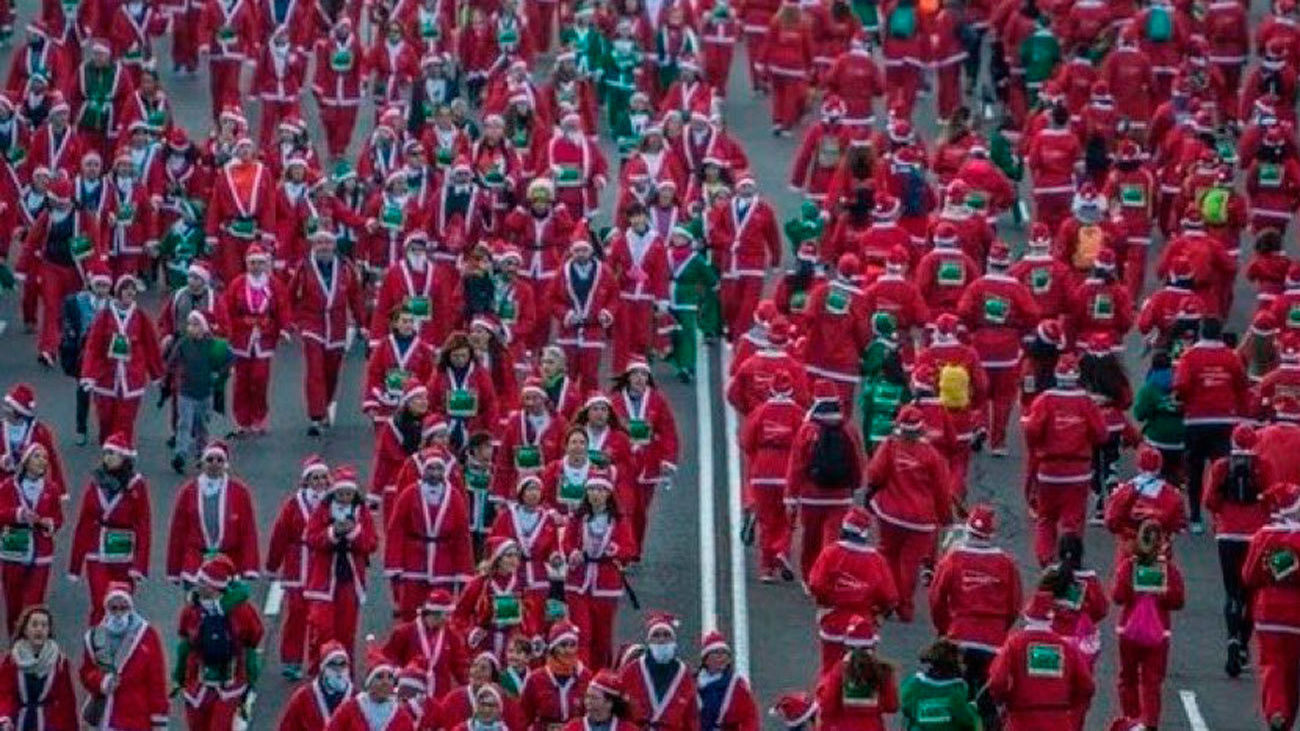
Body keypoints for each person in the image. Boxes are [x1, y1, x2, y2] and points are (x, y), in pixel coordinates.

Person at [928, 504, 1022, 729]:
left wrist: (944, 628)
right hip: (993, 640)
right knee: (987, 701)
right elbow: (1014, 605)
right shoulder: (1006, 563)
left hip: (959, 636)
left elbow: (936, 598)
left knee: (957, 698)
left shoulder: (954, 558)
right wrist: (1001, 629)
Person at [866, 405, 952, 622]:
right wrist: (945, 517)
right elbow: (942, 490)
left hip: (890, 513)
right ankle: (904, 606)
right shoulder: (931, 455)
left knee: (887, 555)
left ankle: (886, 599)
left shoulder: (891, 446)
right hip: (920, 520)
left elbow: (875, 474)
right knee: (910, 563)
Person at [1023, 355, 1108, 565]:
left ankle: (1045, 560)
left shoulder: (1045, 400)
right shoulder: (1086, 402)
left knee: (1046, 519)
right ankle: (1071, 559)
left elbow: (1032, 431)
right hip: (1078, 471)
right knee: (1073, 521)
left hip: (1050, 470)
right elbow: (1101, 434)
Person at [1204, 424, 1272, 677]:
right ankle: (1244, 643)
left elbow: (1210, 501)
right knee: (1253, 591)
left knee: (1232, 591)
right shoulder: (1263, 466)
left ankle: (1232, 638)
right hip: (1256, 535)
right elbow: (1270, 498)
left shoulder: (1222, 466)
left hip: (1228, 534)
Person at [1173, 317, 1251, 532]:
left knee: (1195, 470)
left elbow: (1181, 385)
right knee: (1224, 471)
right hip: (1224, 421)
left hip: (1196, 421)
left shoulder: (1189, 357)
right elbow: (1242, 385)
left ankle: (1196, 517)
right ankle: (1219, 516)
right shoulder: (1230, 357)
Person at [173, 554, 265, 731]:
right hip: (198, 681)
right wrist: (180, 675)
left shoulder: (240, 610)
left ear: (214, 586)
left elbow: (253, 636)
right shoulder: (192, 609)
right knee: (197, 725)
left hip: (229, 681)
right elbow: (184, 641)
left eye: (202, 580)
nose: (197, 583)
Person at [67, 434, 152, 623]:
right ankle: (96, 646)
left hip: (124, 554)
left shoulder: (136, 486)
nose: (108, 458)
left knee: (121, 605)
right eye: (105, 453)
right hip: (96, 551)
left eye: (112, 453)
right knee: (100, 603)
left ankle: (121, 647)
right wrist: (75, 564)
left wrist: (140, 565)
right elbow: (84, 522)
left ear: (124, 457)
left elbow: (144, 525)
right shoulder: (95, 483)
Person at [289, 230, 366, 436]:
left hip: (337, 323)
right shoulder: (304, 267)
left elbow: (356, 296)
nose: (323, 246)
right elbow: (290, 295)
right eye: (319, 242)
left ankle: (325, 405)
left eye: (327, 243)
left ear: (334, 245)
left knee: (331, 371)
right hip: (312, 322)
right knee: (315, 369)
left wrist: (362, 323)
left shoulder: (346, 267)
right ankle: (316, 415)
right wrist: (290, 321)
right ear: (313, 245)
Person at [986, 589, 1096, 731]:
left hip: (1022, 720)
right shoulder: (1066, 648)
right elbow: (1086, 686)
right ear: (1051, 620)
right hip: (1059, 721)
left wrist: (1005, 699)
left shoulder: (1015, 644)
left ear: (1027, 617)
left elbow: (997, 681)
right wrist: (1068, 705)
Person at [1111, 521, 1185, 730]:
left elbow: (1118, 596)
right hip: (1159, 632)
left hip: (1129, 631)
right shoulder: (1168, 570)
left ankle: (1132, 718)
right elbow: (1178, 600)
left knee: (1128, 677)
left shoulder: (1128, 566)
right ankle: (1150, 722)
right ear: (1162, 542)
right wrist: (1161, 594)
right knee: (1152, 680)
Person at [807, 507, 898, 675]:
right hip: (863, 623)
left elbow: (816, 584)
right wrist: (879, 613)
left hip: (833, 620)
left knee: (829, 672)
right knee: (862, 676)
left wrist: (826, 602)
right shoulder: (876, 560)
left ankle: (827, 700)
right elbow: (889, 596)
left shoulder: (831, 553)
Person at [304, 466, 379, 669]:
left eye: (349, 493)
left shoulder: (361, 512)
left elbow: (372, 543)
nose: (345, 497)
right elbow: (311, 538)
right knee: (322, 627)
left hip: (350, 580)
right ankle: (318, 669)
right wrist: (332, 533)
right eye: (341, 493)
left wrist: (354, 533)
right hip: (323, 578)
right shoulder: (322, 510)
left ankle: (345, 671)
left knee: (346, 630)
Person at [385, 448, 474, 618]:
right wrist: (395, 564)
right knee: (411, 611)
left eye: (438, 469)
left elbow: (462, 534)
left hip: (444, 563)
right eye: (430, 469)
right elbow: (396, 529)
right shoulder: (409, 493)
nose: (434, 473)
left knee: (441, 612)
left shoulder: (454, 496)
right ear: (423, 471)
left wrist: (463, 570)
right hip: (414, 561)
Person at [79, 272, 163, 445]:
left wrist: (157, 374)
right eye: (126, 289)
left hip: (131, 378)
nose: (130, 293)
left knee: (125, 420)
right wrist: (89, 374)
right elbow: (93, 347)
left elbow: (151, 346)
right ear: (118, 292)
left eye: (133, 290)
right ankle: (107, 449)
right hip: (106, 376)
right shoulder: (104, 316)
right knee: (105, 418)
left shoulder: (140, 316)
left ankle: (122, 452)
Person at [266, 456, 330, 680]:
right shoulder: (294, 504)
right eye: (315, 477)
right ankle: (291, 659)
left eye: (323, 477)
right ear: (306, 480)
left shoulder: (333, 504)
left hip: (322, 565)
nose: (320, 481)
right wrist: (273, 564)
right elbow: (280, 534)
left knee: (321, 618)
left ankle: (322, 659)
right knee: (296, 614)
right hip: (297, 565)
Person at [562, 468, 633, 670]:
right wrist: (572, 553)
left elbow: (629, 548)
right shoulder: (578, 518)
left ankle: (601, 674)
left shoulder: (618, 520)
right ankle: (583, 674)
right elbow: (567, 543)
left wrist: (616, 549)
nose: (596, 495)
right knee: (582, 633)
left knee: (603, 635)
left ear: (609, 493)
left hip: (606, 584)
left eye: (601, 490)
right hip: (578, 583)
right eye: (592, 490)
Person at [165, 440, 260, 586]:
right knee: (196, 606)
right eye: (210, 459)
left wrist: (249, 567)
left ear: (225, 464)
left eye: (219, 460)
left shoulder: (240, 492)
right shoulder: (188, 491)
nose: (214, 464)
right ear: (202, 463)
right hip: (195, 561)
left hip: (229, 561)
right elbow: (178, 532)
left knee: (228, 607)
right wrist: (174, 569)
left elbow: (248, 531)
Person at [609, 358, 678, 557]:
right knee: (624, 507)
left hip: (648, 463)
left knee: (640, 511)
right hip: (622, 463)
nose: (639, 379)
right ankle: (624, 549)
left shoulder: (657, 400)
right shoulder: (614, 401)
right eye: (635, 374)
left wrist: (668, 460)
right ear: (628, 377)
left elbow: (668, 431)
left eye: (643, 375)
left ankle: (635, 548)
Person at [738, 371, 803, 582]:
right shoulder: (798, 414)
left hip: (763, 471)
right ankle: (782, 551)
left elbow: (746, 442)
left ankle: (767, 568)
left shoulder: (760, 411)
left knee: (766, 522)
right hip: (787, 470)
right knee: (787, 519)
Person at [77, 583, 169, 731]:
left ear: (130, 608)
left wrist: (159, 721)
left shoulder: (147, 636)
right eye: (114, 608)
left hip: (137, 719)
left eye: (123, 608)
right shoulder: (94, 637)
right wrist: (101, 682)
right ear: (106, 609)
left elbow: (157, 682)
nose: (119, 613)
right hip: (104, 717)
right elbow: (86, 673)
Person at [0, 443, 62, 635]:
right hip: (14, 550)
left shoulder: (51, 489)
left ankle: (31, 643)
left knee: (34, 602)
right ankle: (15, 640)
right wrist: (17, 514)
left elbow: (58, 517)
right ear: (26, 461)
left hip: (41, 552)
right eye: (37, 456)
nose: (43, 460)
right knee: (13, 600)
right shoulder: (8, 486)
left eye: (45, 457)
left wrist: (51, 524)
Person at [165, 310, 233, 473]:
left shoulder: (214, 345)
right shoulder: (183, 343)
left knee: (202, 426)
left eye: (196, 324)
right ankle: (180, 454)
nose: (191, 328)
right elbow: (171, 361)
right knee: (184, 424)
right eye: (189, 324)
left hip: (205, 393)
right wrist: (168, 376)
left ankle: (202, 453)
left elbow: (229, 358)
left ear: (204, 327)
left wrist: (219, 376)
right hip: (186, 391)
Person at [58, 260, 111, 444]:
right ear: (90, 283)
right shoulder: (75, 302)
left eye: (106, 286)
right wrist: (71, 339)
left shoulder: (112, 305)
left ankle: (106, 430)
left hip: (106, 356)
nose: (102, 289)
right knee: (83, 392)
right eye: (99, 285)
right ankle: (81, 428)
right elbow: (66, 324)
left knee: (105, 396)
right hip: (83, 354)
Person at [814, 616, 898, 731]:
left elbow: (827, 706)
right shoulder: (882, 670)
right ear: (873, 644)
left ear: (847, 645)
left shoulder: (838, 670)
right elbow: (892, 706)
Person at [0, 606, 77, 730]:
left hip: (48, 724)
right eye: (34, 625)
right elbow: (4, 693)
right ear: (25, 629)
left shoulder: (59, 662)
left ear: (49, 631)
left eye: (44, 625)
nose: (39, 629)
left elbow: (66, 702)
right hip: (17, 722)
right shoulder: (11, 661)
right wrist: (5, 718)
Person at [619, 613, 699, 731]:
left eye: (667, 635)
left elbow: (691, 716)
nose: (661, 640)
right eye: (656, 635)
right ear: (649, 641)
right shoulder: (632, 670)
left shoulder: (684, 674)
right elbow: (619, 710)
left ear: (674, 641)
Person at [1104, 447, 1188, 559]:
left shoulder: (1124, 491)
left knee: (1122, 574)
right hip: (1159, 551)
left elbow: (1112, 522)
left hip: (1129, 550)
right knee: (1171, 575)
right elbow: (1179, 525)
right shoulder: (1172, 495)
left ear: (1138, 466)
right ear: (1160, 467)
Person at [520, 622, 593, 730]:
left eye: (572, 645)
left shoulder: (586, 677)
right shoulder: (536, 679)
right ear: (553, 648)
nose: (568, 650)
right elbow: (524, 718)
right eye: (563, 645)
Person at [897, 639, 980, 731]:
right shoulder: (956, 690)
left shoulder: (914, 684)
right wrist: (973, 709)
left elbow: (905, 706)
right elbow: (967, 719)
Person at [325, 649, 417, 730]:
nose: (385, 682)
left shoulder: (401, 717)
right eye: (379, 677)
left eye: (389, 678)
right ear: (369, 682)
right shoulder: (350, 709)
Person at [278, 640, 353, 729]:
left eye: (343, 664)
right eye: (333, 664)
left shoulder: (355, 698)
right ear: (322, 668)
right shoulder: (304, 698)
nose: (338, 670)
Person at [695, 630, 759, 731]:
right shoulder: (692, 683)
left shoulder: (736, 684)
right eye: (716, 653)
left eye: (725, 653)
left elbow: (749, 717)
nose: (722, 657)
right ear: (705, 659)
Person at [563, 669, 633, 730]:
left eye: (594, 698)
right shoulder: (572, 728)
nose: (588, 702)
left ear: (609, 703)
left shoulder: (627, 729)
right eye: (587, 696)